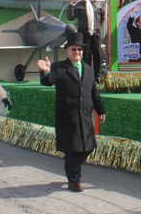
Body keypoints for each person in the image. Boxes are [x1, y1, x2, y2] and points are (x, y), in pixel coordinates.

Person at [37, 32, 106, 192]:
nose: (77, 52)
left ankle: (73, 171)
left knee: (88, 147)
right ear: (67, 51)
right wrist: (46, 71)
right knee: (73, 150)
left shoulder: (88, 69)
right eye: (73, 50)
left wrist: (100, 109)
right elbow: (48, 81)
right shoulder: (58, 67)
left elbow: (94, 92)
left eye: (79, 50)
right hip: (68, 116)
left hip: (85, 116)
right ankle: (74, 180)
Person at [67, 0, 105, 82]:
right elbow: (70, 18)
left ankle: (98, 75)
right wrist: (71, 6)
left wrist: (98, 27)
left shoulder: (98, 4)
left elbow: (103, 16)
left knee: (98, 54)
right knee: (86, 55)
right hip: (84, 32)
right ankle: (88, 76)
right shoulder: (79, 4)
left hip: (96, 32)